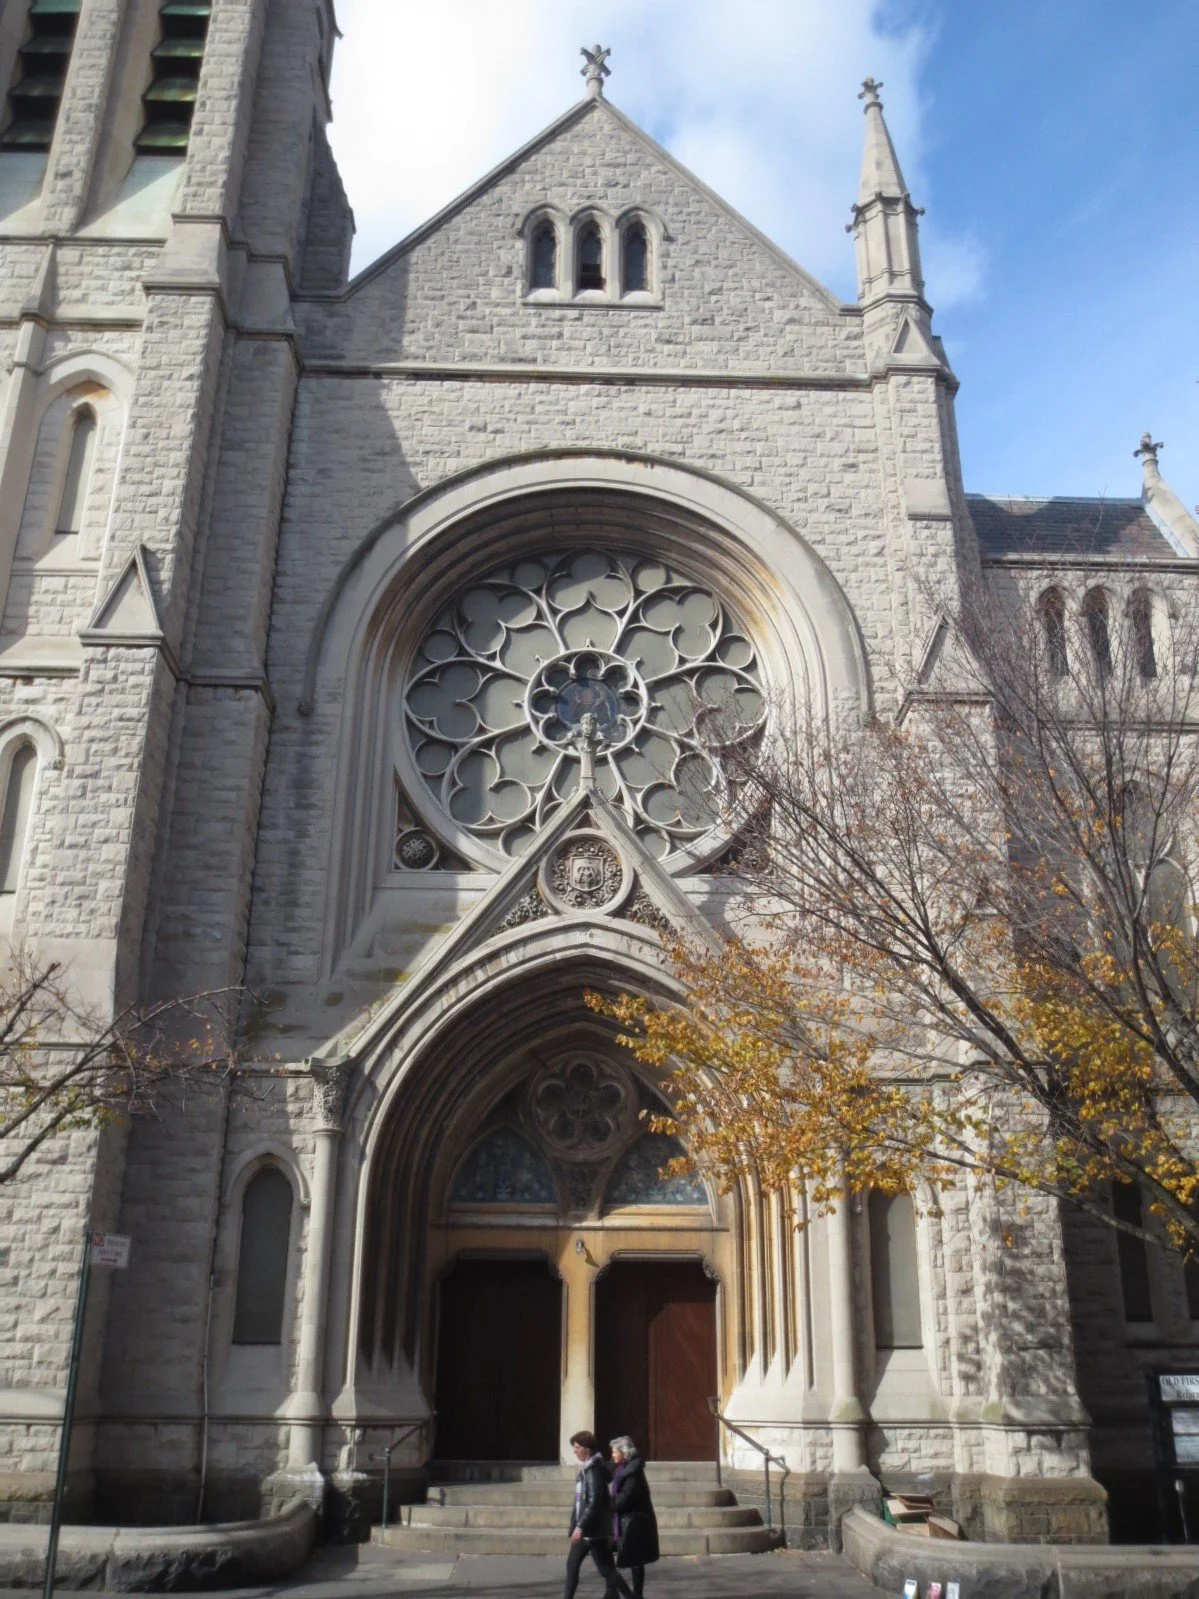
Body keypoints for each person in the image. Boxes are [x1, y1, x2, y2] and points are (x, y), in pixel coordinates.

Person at [565, 1430, 634, 1599]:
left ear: (587, 1449)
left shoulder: (593, 1471)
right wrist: (576, 1523)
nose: (574, 1451)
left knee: (606, 1570)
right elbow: (581, 1502)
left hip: (592, 1531)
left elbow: (594, 1502)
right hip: (589, 1530)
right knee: (573, 1566)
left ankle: (628, 1596)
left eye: (577, 1447)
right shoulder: (589, 1469)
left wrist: (580, 1526)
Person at [609, 1436, 660, 1599]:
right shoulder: (621, 1467)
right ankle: (612, 1593)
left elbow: (625, 1498)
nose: (612, 1455)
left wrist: (605, 1504)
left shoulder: (632, 1473)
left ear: (624, 1453)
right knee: (611, 1558)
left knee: (636, 1561)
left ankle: (636, 1595)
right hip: (623, 1520)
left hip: (634, 1522)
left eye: (615, 1452)